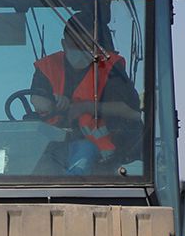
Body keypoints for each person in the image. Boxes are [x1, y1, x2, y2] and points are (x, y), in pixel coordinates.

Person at [30, 15, 141, 174]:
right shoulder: (47, 66)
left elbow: (132, 112)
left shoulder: (111, 68)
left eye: (87, 45)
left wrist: (85, 107)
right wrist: (52, 102)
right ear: (63, 44)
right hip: (51, 144)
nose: (81, 50)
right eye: (75, 44)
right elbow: (36, 99)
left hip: (96, 149)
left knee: (79, 167)